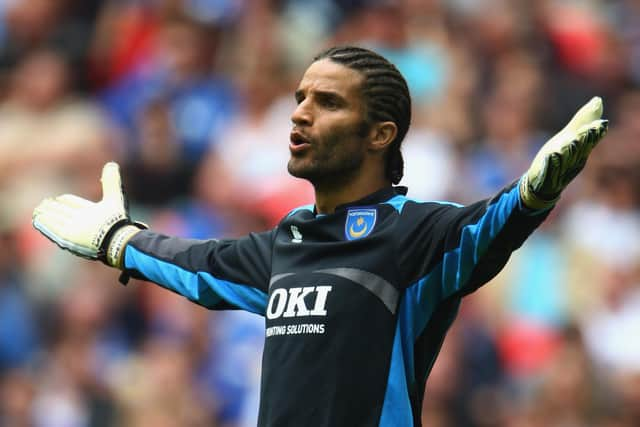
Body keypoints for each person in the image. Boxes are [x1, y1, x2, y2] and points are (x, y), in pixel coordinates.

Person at [32, 46, 608, 427]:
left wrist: (534, 194)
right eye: (301, 98)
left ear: (380, 134)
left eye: (327, 103)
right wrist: (117, 239)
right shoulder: (285, 242)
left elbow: (489, 226)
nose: (300, 114)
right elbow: (197, 264)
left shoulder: (415, 233)